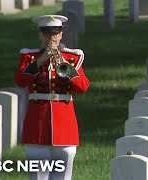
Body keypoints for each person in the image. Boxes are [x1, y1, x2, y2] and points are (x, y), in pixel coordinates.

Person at [14, 15, 90, 180]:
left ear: (61, 34)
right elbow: (20, 81)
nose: (52, 37)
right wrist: (41, 60)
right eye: (47, 33)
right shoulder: (30, 57)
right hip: (37, 126)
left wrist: (62, 63)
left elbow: (82, 87)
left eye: (55, 33)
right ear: (40, 34)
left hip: (65, 128)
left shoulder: (73, 57)